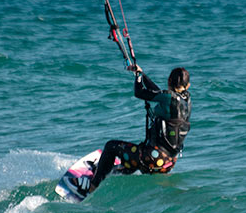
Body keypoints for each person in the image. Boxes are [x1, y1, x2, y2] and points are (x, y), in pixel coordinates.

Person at [70, 66, 191, 196]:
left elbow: (140, 92)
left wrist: (138, 78)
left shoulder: (167, 97)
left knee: (111, 146)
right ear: (188, 85)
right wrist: (142, 74)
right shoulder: (187, 101)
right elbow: (158, 92)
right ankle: (107, 173)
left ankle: (92, 186)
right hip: (168, 163)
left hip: (152, 158)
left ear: (169, 81)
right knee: (129, 164)